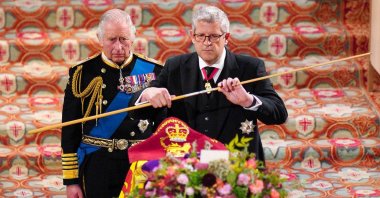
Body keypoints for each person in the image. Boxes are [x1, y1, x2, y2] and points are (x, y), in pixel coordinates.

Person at [137, 5, 288, 164]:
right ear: (192, 36)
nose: (207, 42)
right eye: (201, 35)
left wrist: (248, 100)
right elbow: (139, 111)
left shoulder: (250, 67)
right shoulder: (175, 66)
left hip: (237, 165)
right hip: (185, 164)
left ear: (226, 37)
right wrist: (147, 94)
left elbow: (279, 113)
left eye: (214, 36)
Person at [61, 9, 164, 198]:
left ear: (133, 38)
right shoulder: (82, 74)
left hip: (141, 163)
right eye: (111, 39)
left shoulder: (155, 71)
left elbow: (163, 126)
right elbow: (70, 130)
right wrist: (71, 181)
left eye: (124, 39)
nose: (118, 46)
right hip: (99, 161)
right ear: (100, 38)